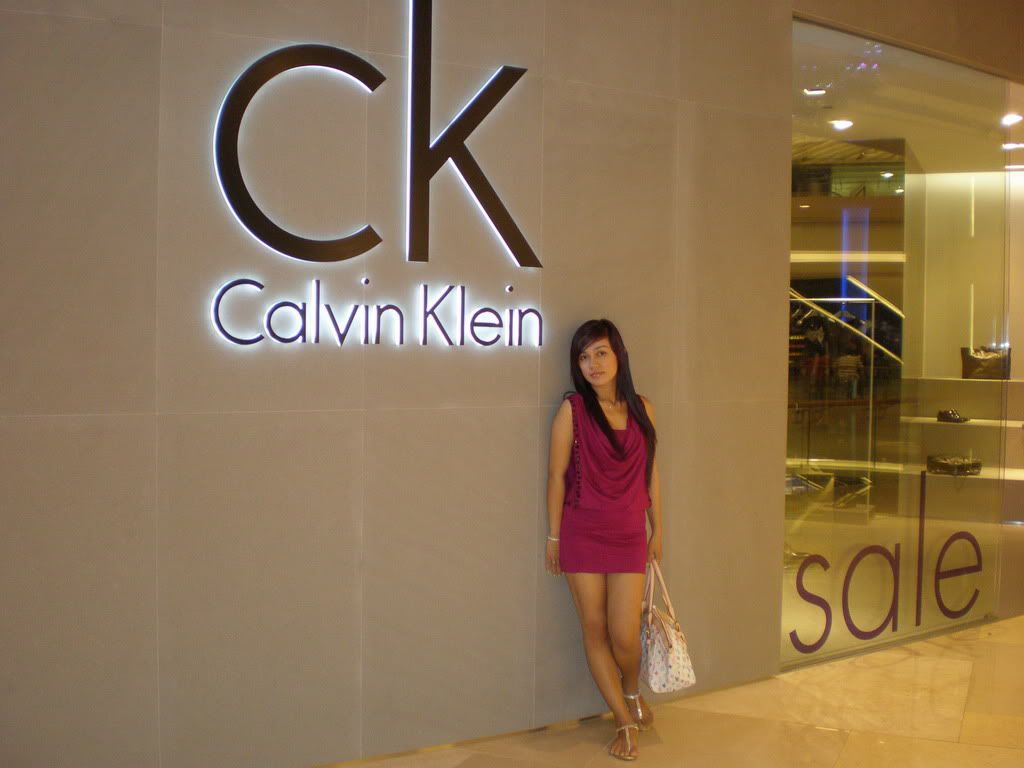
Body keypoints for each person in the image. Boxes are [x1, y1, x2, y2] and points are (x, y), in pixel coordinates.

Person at [545, 319, 662, 762]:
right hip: (581, 532)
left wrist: (658, 528)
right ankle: (624, 721)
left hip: (629, 533)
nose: (592, 364)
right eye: (583, 356)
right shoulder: (572, 410)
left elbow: (651, 473)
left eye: (600, 353)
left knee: (625, 635)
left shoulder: (643, 409)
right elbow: (556, 476)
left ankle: (630, 690)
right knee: (594, 629)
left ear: (618, 356)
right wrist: (553, 535)